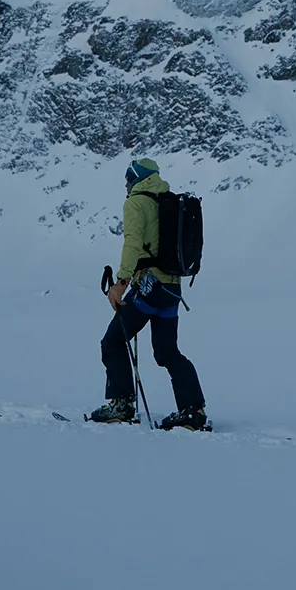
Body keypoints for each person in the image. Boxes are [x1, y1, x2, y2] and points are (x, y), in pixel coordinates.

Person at [89, 157, 209, 430]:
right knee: (167, 351)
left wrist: (121, 283)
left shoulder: (136, 202)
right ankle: (193, 411)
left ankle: (122, 404)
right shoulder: (167, 201)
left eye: (127, 179)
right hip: (172, 289)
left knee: (113, 342)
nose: (126, 185)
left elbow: (132, 243)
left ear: (135, 178)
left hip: (149, 287)